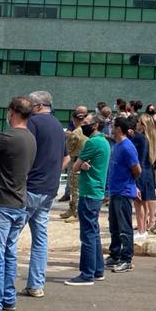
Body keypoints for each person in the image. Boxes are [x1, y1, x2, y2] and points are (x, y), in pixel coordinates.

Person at [0, 97, 35, 311]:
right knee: (9, 254)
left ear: (12, 111)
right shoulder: (30, 138)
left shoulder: (7, 137)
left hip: (1, 202)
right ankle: (8, 298)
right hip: (19, 201)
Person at [16, 91, 68, 297]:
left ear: (37, 107)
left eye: (30, 104)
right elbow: (66, 157)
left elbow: (23, 152)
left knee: (9, 237)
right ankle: (36, 284)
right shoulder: (58, 125)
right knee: (40, 239)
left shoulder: (32, 123)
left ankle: (0, 284)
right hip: (49, 188)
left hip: (31, 187)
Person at [65, 113, 110, 285]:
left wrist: (81, 164)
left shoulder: (92, 142)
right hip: (96, 191)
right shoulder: (104, 142)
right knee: (94, 232)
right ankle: (98, 270)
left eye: (86, 123)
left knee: (87, 235)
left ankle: (87, 273)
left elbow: (75, 166)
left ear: (96, 125)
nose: (82, 125)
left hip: (89, 191)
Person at [106, 117, 141, 273]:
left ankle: (126, 259)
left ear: (119, 128)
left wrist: (130, 184)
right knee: (114, 226)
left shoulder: (127, 147)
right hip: (114, 191)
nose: (112, 128)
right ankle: (115, 254)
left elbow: (137, 170)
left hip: (123, 191)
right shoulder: (117, 145)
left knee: (124, 227)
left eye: (114, 126)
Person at [60, 106, 89, 222]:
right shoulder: (87, 131)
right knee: (76, 187)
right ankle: (72, 209)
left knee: (75, 188)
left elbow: (68, 149)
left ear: (74, 119)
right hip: (83, 161)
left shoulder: (75, 133)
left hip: (76, 160)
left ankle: (76, 212)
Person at [135, 113, 156, 236]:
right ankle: (143, 227)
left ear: (144, 125)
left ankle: (141, 229)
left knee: (139, 203)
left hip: (141, 172)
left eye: (139, 122)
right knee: (144, 202)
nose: (136, 124)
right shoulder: (151, 138)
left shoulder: (140, 138)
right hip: (148, 172)